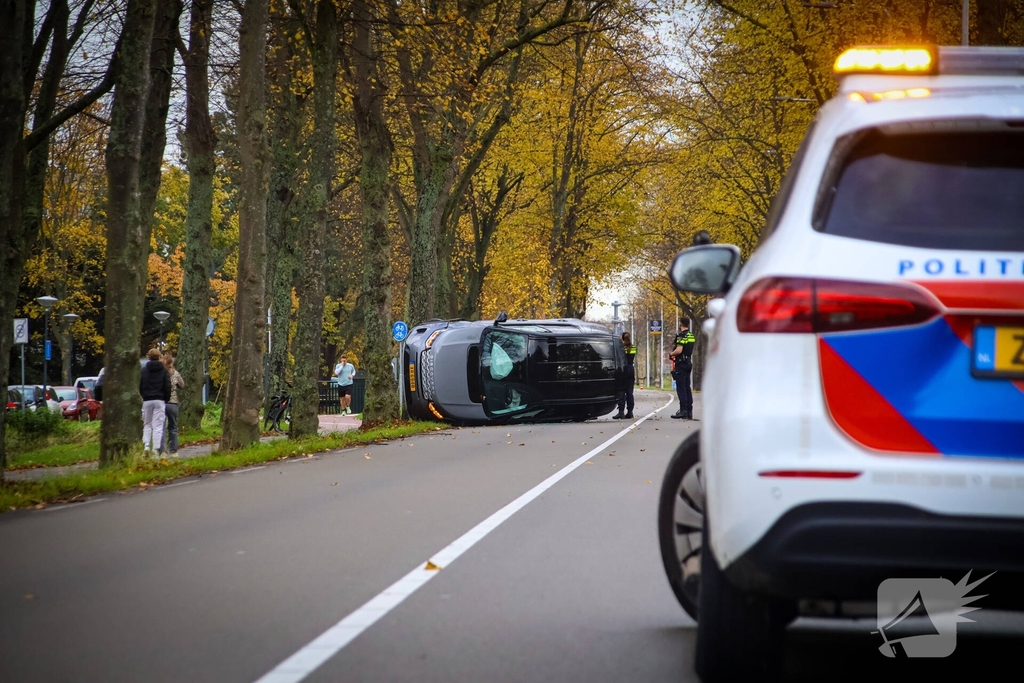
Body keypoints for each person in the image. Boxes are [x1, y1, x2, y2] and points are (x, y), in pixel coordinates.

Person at [140, 347, 171, 454]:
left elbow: (140, 385)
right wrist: (165, 399)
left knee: (147, 423)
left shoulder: (143, 371)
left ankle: (147, 446)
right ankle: (156, 449)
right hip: (159, 399)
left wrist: (144, 396)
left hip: (147, 400)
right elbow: (167, 386)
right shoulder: (164, 371)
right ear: (159, 357)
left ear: (148, 357)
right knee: (158, 425)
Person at [669, 320, 696, 419]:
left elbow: (679, 350)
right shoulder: (691, 335)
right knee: (687, 387)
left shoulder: (681, 336)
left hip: (681, 363)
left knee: (681, 388)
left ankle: (683, 410)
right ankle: (689, 411)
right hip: (688, 362)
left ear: (681, 324)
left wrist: (671, 354)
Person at [161, 353, 185, 455]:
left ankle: (162, 449)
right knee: (173, 427)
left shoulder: (161, 373)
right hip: (173, 402)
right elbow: (182, 385)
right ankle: (173, 449)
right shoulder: (175, 373)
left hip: (162, 402)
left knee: (161, 427)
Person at [613, 332, 637, 420]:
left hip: (623, 370)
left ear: (622, 339)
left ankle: (621, 412)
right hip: (631, 369)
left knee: (621, 391)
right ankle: (630, 412)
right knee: (630, 392)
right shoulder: (633, 348)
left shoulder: (621, 348)